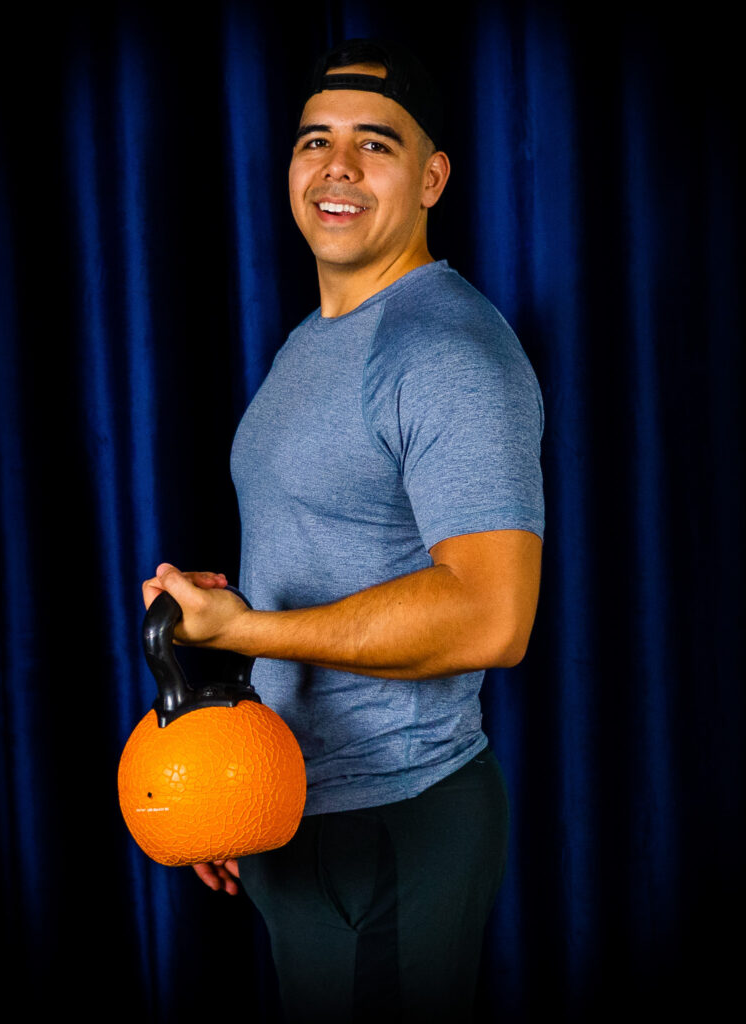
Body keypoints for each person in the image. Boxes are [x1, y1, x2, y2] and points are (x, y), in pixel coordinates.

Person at [143, 38, 544, 1023]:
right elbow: (317, 560)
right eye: (315, 141)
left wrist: (245, 631)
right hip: (296, 819)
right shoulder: (312, 342)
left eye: (377, 144)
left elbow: (492, 617)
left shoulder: (445, 347)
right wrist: (233, 781)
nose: (338, 166)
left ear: (432, 176)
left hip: (399, 823)